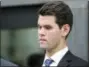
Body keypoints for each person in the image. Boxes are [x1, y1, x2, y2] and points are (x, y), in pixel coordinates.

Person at [27, 1, 88, 67]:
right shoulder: (34, 63)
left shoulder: (80, 65)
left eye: (48, 27)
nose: (41, 32)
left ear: (65, 30)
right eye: (39, 27)